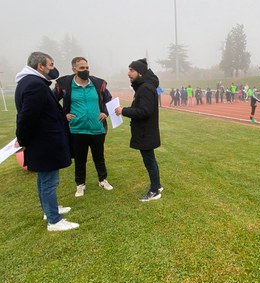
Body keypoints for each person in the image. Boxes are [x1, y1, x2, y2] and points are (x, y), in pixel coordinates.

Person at [15, 51, 79, 231]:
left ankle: (49, 209)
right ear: (40, 66)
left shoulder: (30, 82)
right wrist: (22, 139)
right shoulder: (34, 84)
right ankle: (54, 220)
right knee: (49, 181)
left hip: (43, 141)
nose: (53, 68)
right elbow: (27, 117)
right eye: (50, 65)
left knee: (44, 179)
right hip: (45, 142)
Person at [54, 57, 113, 197]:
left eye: (87, 67)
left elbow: (109, 100)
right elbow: (51, 101)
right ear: (74, 69)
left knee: (99, 157)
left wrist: (105, 112)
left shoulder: (99, 84)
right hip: (77, 129)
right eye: (82, 68)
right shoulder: (64, 85)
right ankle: (80, 184)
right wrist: (64, 115)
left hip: (97, 128)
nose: (85, 70)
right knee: (80, 159)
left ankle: (103, 180)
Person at [115, 58, 163, 201]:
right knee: (150, 160)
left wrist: (123, 110)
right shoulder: (144, 86)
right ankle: (157, 185)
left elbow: (144, 111)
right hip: (145, 131)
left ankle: (154, 191)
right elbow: (141, 109)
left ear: (140, 73)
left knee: (149, 161)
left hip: (145, 132)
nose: (128, 73)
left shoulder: (146, 88)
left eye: (132, 70)